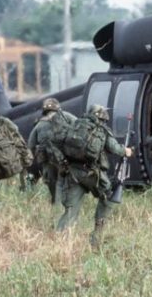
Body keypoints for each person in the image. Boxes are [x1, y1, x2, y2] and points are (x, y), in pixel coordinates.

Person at [57, 104, 133, 249]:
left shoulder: (76, 125)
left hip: (72, 173)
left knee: (71, 209)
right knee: (108, 197)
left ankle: (60, 240)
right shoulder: (101, 130)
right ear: (102, 117)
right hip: (91, 173)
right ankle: (97, 235)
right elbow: (115, 149)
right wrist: (127, 151)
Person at [26, 97, 76, 203]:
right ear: (58, 108)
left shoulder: (39, 125)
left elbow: (31, 145)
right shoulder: (67, 117)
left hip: (48, 162)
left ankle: (55, 203)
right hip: (67, 160)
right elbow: (79, 127)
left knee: (53, 185)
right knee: (67, 184)